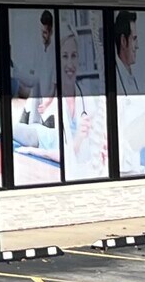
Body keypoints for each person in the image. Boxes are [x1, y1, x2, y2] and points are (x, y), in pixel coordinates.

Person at [10, 10, 61, 183]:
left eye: (46, 33)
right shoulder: (40, 50)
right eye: (42, 33)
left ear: (52, 30)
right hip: (38, 111)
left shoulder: (56, 52)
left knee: (24, 133)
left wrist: (48, 103)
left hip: (48, 116)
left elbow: (54, 85)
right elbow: (34, 80)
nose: (43, 36)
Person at [112, 10, 145, 176]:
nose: (137, 45)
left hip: (138, 165)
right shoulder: (114, 82)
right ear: (123, 41)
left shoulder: (131, 76)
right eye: (134, 39)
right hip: (124, 169)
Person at [60, 21, 109, 180]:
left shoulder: (85, 96)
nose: (70, 64)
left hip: (88, 177)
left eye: (74, 56)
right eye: (64, 56)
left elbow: (96, 141)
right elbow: (51, 154)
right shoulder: (48, 100)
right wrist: (78, 140)